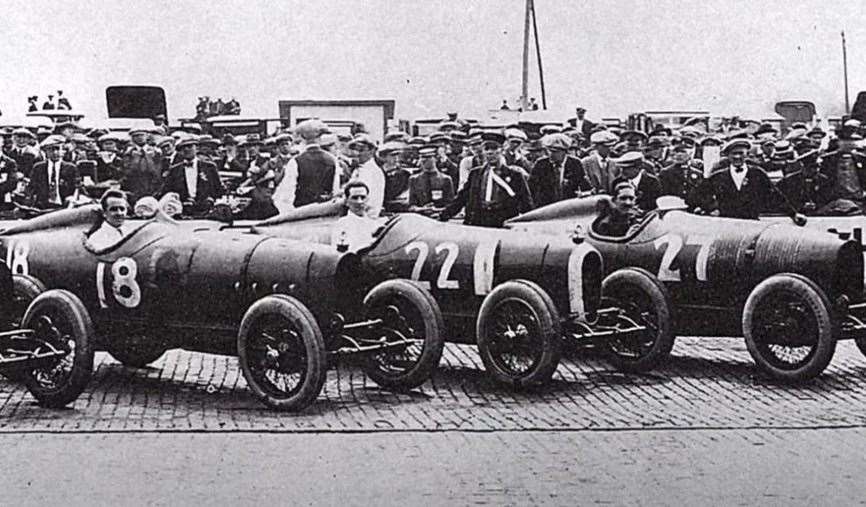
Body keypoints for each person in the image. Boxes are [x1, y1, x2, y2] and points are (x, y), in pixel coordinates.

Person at [687, 139, 805, 223]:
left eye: (741, 153)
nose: (737, 157)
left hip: (752, 224)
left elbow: (776, 196)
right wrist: (711, 208)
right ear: (727, 156)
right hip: (725, 225)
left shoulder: (757, 174)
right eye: (734, 154)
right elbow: (695, 196)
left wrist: (793, 214)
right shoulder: (718, 176)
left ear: (747, 155)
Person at [439, 131, 534, 227]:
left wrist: (531, 225)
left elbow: (526, 204)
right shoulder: (475, 174)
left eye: (494, 148)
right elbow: (461, 199)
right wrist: (443, 216)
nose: (490, 152)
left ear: (501, 150)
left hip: (502, 224)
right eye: (486, 149)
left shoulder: (515, 176)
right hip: (478, 222)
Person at [161, 137, 224, 215]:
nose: (186, 149)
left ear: (197, 148)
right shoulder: (174, 170)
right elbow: (167, 190)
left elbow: (218, 189)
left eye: (190, 146)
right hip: (182, 211)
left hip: (205, 210)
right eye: (183, 148)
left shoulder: (209, 167)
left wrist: (211, 199)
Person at [529, 133, 591, 207]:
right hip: (546, 208)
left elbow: (585, 186)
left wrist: (583, 194)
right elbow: (531, 187)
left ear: (564, 152)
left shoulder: (575, 164)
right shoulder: (541, 164)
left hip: (568, 207)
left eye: (555, 152)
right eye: (549, 151)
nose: (551, 155)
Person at [27, 135, 79, 209]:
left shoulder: (71, 168)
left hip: (64, 206)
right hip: (42, 206)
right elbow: (31, 187)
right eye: (50, 150)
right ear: (45, 152)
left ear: (63, 151)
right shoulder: (38, 167)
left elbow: (77, 187)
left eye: (58, 149)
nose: (55, 153)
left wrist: (71, 199)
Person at [331, 181, 381, 252]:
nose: (359, 202)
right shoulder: (341, 225)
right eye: (355, 198)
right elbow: (339, 255)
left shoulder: (375, 225)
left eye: (363, 197)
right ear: (347, 202)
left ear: (367, 200)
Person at [121, 127, 163, 204]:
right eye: (136, 136)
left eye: (142, 135)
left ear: (147, 136)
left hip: (151, 185)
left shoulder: (156, 152)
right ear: (132, 138)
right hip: (135, 185)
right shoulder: (128, 153)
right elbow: (127, 172)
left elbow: (157, 171)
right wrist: (135, 159)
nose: (140, 138)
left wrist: (149, 157)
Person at [348, 134, 385, 217]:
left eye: (361, 150)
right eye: (355, 150)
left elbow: (370, 201)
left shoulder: (373, 172)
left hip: (367, 217)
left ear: (371, 151)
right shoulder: (358, 169)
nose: (357, 153)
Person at [409, 145, 454, 212]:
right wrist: (422, 209)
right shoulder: (414, 179)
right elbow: (411, 205)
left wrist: (436, 210)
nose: (424, 160)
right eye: (422, 157)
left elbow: (450, 205)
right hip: (420, 217)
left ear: (436, 158)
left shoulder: (445, 179)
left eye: (428, 157)